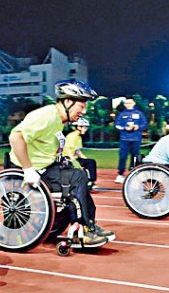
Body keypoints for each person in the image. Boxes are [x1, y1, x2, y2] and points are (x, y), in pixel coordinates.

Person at [8, 80, 114, 247]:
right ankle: (83, 229)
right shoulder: (46, 116)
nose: (84, 111)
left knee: (78, 174)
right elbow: (15, 137)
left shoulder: (59, 119)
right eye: (82, 106)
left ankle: (89, 224)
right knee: (77, 177)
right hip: (31, 170)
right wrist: (27, 169)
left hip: (46, 166)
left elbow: (45, 143)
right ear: (67, 102)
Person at [114, 97, 147, 182]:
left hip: (136, 139)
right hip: (124, 139)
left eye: (130, 103)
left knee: (135, 157)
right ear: (124, 105)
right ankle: (120, 174)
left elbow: (145, 124)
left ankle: (134, 173)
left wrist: (138, 127)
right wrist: (125, 128)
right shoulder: (121, 114)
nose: (128, 105)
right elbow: (117, 125)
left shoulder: (139, 114)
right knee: (123, 156)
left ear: (134, 103)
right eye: (126, 103)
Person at [63, 117, 98, 186]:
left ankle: (91, 181)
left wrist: (86, 159)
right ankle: (89, 182)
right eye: (84, 128)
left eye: (86, 128)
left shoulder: (79, 137)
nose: (86, 130)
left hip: (74, 158)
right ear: (79, 127)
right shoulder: (72, 136)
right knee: (89, 162)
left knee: (91, 162)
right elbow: (68, 150)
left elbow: (78, 151)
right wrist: (75, 163)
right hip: (68, 159)